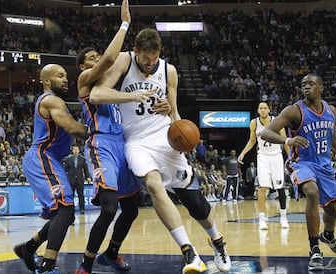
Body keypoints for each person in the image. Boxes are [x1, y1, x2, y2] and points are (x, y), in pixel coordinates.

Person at [91, 28, 231, 273]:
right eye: (146, 58)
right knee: (154, 184)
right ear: (136, 52)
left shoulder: (169, 71)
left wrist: (172, 115)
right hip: (136, 141)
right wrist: (130, 97)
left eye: (154, 57)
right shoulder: (125, 61)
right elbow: (96, 94)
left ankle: (217, 241)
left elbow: (175, 113)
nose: (150, 62)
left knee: (195, 203)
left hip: (165, 136)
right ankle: (189, 252)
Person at [74, 1, 151, 273]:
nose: (98, 60)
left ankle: (112, 253)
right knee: (108, 209)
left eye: (97, 57)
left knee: (131, 209)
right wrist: (125, 25)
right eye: (91, 58)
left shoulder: (112, 88)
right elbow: (109, 59)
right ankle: (85, 265)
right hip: (101, 144)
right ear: (83, 66)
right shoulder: (85, 81)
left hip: (122, 145)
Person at [260, 73, 336, 271]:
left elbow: (335, 138)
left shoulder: (331, 111)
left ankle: (328, 236)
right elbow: (266, 132)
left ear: (320, 88)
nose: (306, 87)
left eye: (311, 84)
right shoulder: (294, 111)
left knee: (332, 209)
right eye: (304, 84)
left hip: (323, 165)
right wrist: (288, 140)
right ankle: (314, 249)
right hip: (301, 163)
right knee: (312, 193)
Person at [13, 64, 87, 274]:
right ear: (46, 80)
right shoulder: (51, 100)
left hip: (49, 158)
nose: (65, 79)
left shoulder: (54, 100)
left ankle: (28, 248)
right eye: (60, 76)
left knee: (65, 215)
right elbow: (72, 127)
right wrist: (98, 132)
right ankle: (47, 266)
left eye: (66, 76)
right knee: (65, 208)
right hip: (42, 157)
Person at [237, 102, 290, 230]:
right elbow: (252, 141)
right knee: (262, 188)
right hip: (263, 157)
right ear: (258, 110)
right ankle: (262, 219)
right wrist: (243, 153)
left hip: (276, 156)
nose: (263, 110)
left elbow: (285, 141)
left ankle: (283, 217)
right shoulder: (254, 123)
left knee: (280, 187)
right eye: (261, 108)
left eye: (265, 108)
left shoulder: (276, 121)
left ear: (269, 110)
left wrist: (290, 157)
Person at [63, 145, 91, 214]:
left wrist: (88, 177)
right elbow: (64, 170)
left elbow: (86, 170)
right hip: (71, 181)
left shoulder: (82, 159)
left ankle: (82, 209)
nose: (76, 151)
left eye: (77, 149)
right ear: (72, 150)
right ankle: (71, 210)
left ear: (79, 150)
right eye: (74, 149)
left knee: (81, 195)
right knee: (71, 196)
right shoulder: (68, 159)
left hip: (80, 180)